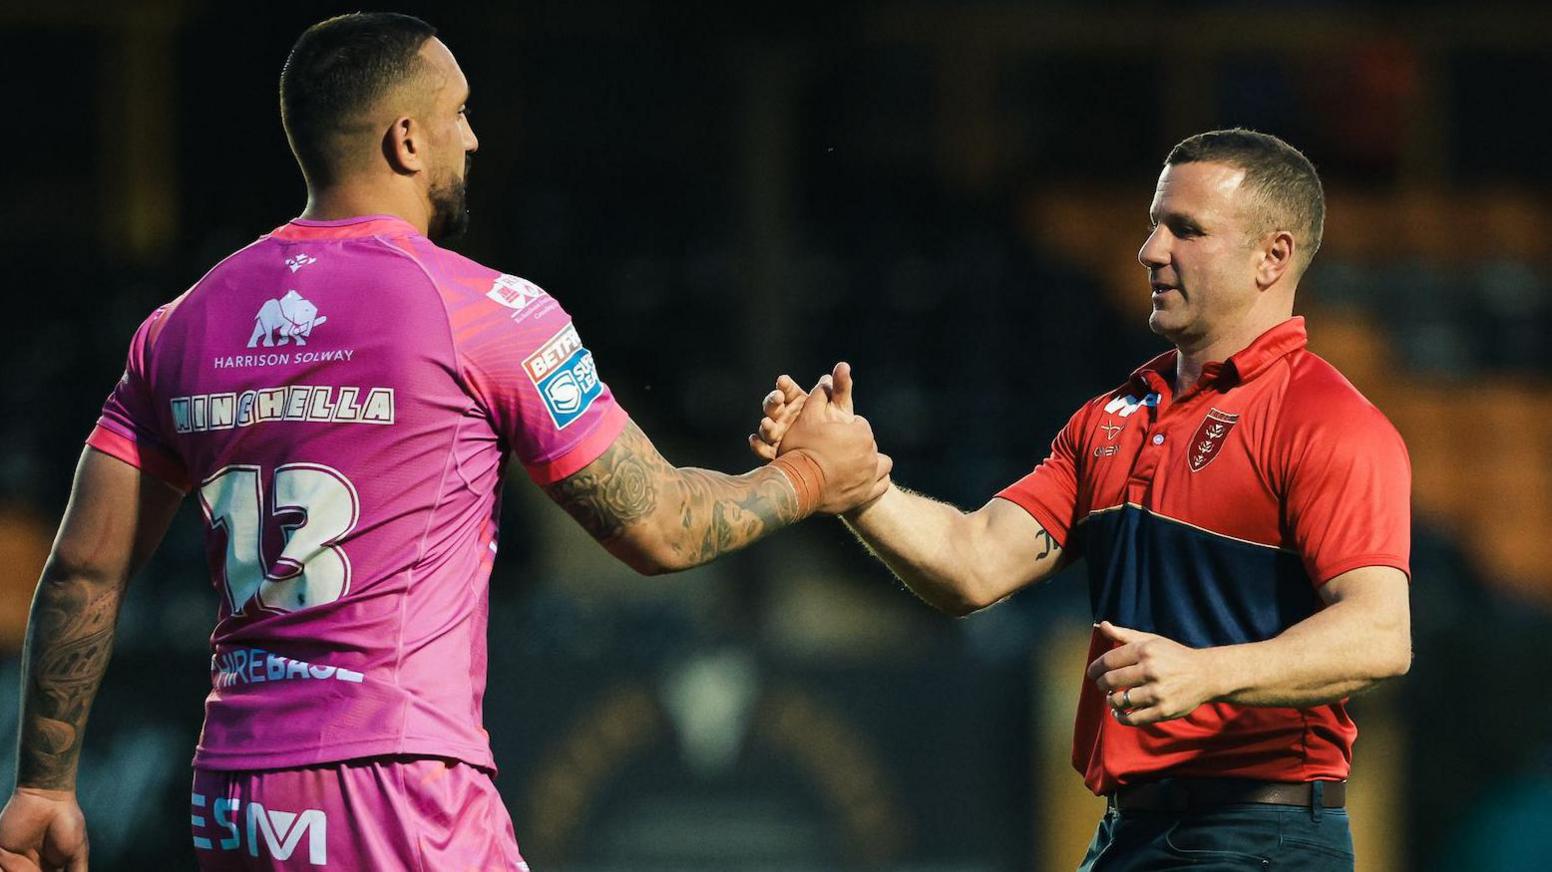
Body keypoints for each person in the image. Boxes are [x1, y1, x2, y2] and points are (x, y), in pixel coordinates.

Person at [0, 13, 889, 872]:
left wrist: (43, 786)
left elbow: (84, 570)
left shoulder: (178, 327)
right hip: (392, 784)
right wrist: (818, 475)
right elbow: (662, 528)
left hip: (235, 793)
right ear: (406, 140)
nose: (473, 140)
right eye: (458, 113)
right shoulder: (484, 312)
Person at [752, 129, 1411, 870]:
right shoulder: (1110, 419)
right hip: (1129, 836)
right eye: (1154, 223)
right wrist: (858, 487)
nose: (1150, 250)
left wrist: (1208, 672)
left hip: (1260, 835)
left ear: (1273, 256)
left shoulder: (1327, 421)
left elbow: (1379, 635)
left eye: (1186, 229)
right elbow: (973, 565)